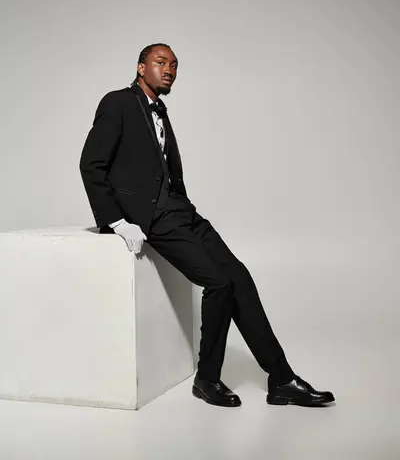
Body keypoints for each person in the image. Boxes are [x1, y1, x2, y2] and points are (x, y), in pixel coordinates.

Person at [79, 42, 335, 408]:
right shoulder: (117, 103)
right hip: (152, 218)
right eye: (161, 62)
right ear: (141, 67)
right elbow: (91, 164)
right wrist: (117, 220)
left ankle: (282, 379)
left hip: (181, 212)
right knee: (218, 282)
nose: (169, 70)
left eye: (175, 65)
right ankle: (207, 378)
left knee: (240, 277)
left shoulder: (161, 111)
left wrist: (182, 204)